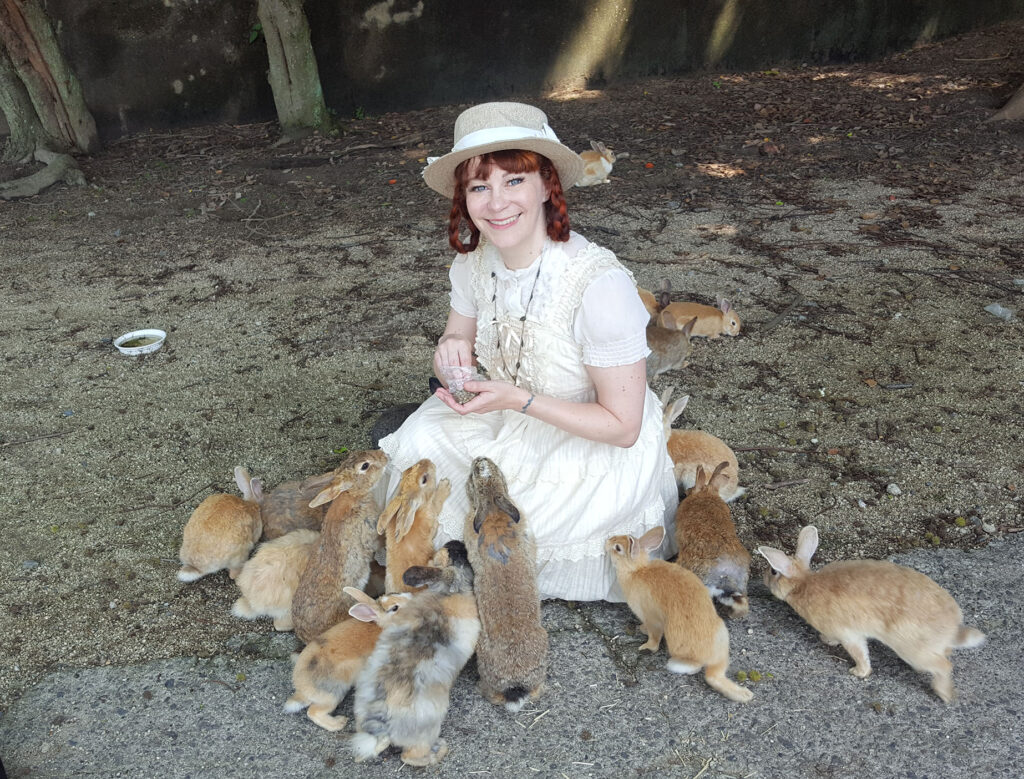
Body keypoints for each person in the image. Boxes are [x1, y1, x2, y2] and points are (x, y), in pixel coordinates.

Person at [378, 102, 677, 601]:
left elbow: (623, 428)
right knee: (420, 439)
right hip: (503, 414)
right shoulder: (474, 264)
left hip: (585, 438)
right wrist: (449, 354)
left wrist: (517, 399)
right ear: (464, 198)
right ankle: (461, 564)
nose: (496, 203)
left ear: (546, 186)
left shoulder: (597, 284)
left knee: (525, 516)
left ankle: (476, 572)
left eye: (513, 182)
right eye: (479, 187)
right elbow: (456, 341)